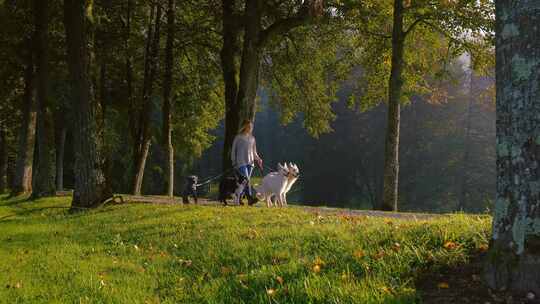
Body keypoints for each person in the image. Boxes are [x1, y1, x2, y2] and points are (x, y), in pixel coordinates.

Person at [231, 120, 263, 197]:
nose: (250, 128)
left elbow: (254, 152)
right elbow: (233, 150)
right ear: (244, 126)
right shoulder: (238, 137)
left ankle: (240, 197)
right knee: (246, 180)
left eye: (251, 126)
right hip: (241, 162)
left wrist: (258, 159)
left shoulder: (252, 138)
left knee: (245, 181)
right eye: (248, 126)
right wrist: (233, 161)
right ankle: (250, 198)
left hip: (250, 163)